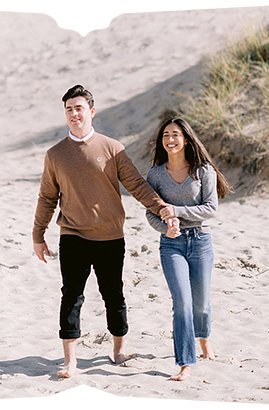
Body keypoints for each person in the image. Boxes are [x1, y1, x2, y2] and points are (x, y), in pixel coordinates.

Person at [32, 84, 175, 379]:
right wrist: (38, 235)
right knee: (71, 296)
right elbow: (47, 197)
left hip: (110, 236)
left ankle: (118, 350)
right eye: (69, 109)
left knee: (113, 294)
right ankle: (70, 361)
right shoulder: (55, 154)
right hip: (73, 235)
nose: (74, 114)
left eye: (79, 108)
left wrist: (160, 206)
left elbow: (135, 184)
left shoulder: (112, 148)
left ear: (91, 112)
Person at [142, 117, 232, 381]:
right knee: (182, 303)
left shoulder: (204, 171)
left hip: (201, 241)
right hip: (171, 245)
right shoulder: (156, 174)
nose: (170, 140)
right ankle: (185, 363)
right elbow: (150, 213)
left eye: (176, 135)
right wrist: (164, 227)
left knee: (201, 304)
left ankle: (203, 339)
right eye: (166, 135)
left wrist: (176, 212)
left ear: (186, 139)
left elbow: (210, 209)